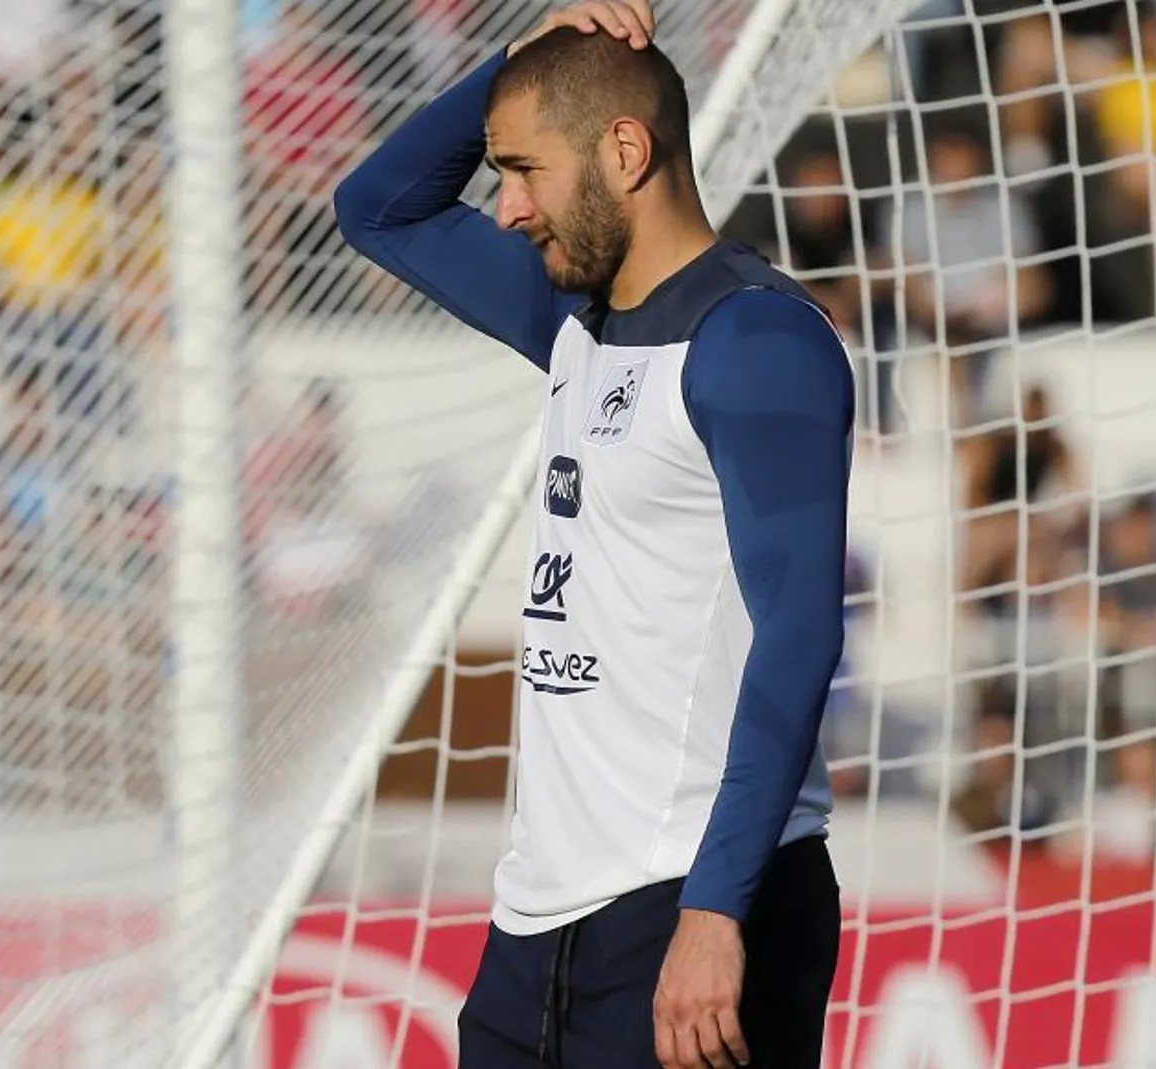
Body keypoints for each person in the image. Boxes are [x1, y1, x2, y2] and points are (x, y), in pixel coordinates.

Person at [334, 4, 850, 1068]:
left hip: (701, 907)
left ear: (624, 150)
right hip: (539, 922)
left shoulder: (753, 339)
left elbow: (797, 642)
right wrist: (518, 64)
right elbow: (376, 206)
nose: (508, 208)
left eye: (523, 169)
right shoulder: (576, 317)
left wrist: (714, 915)